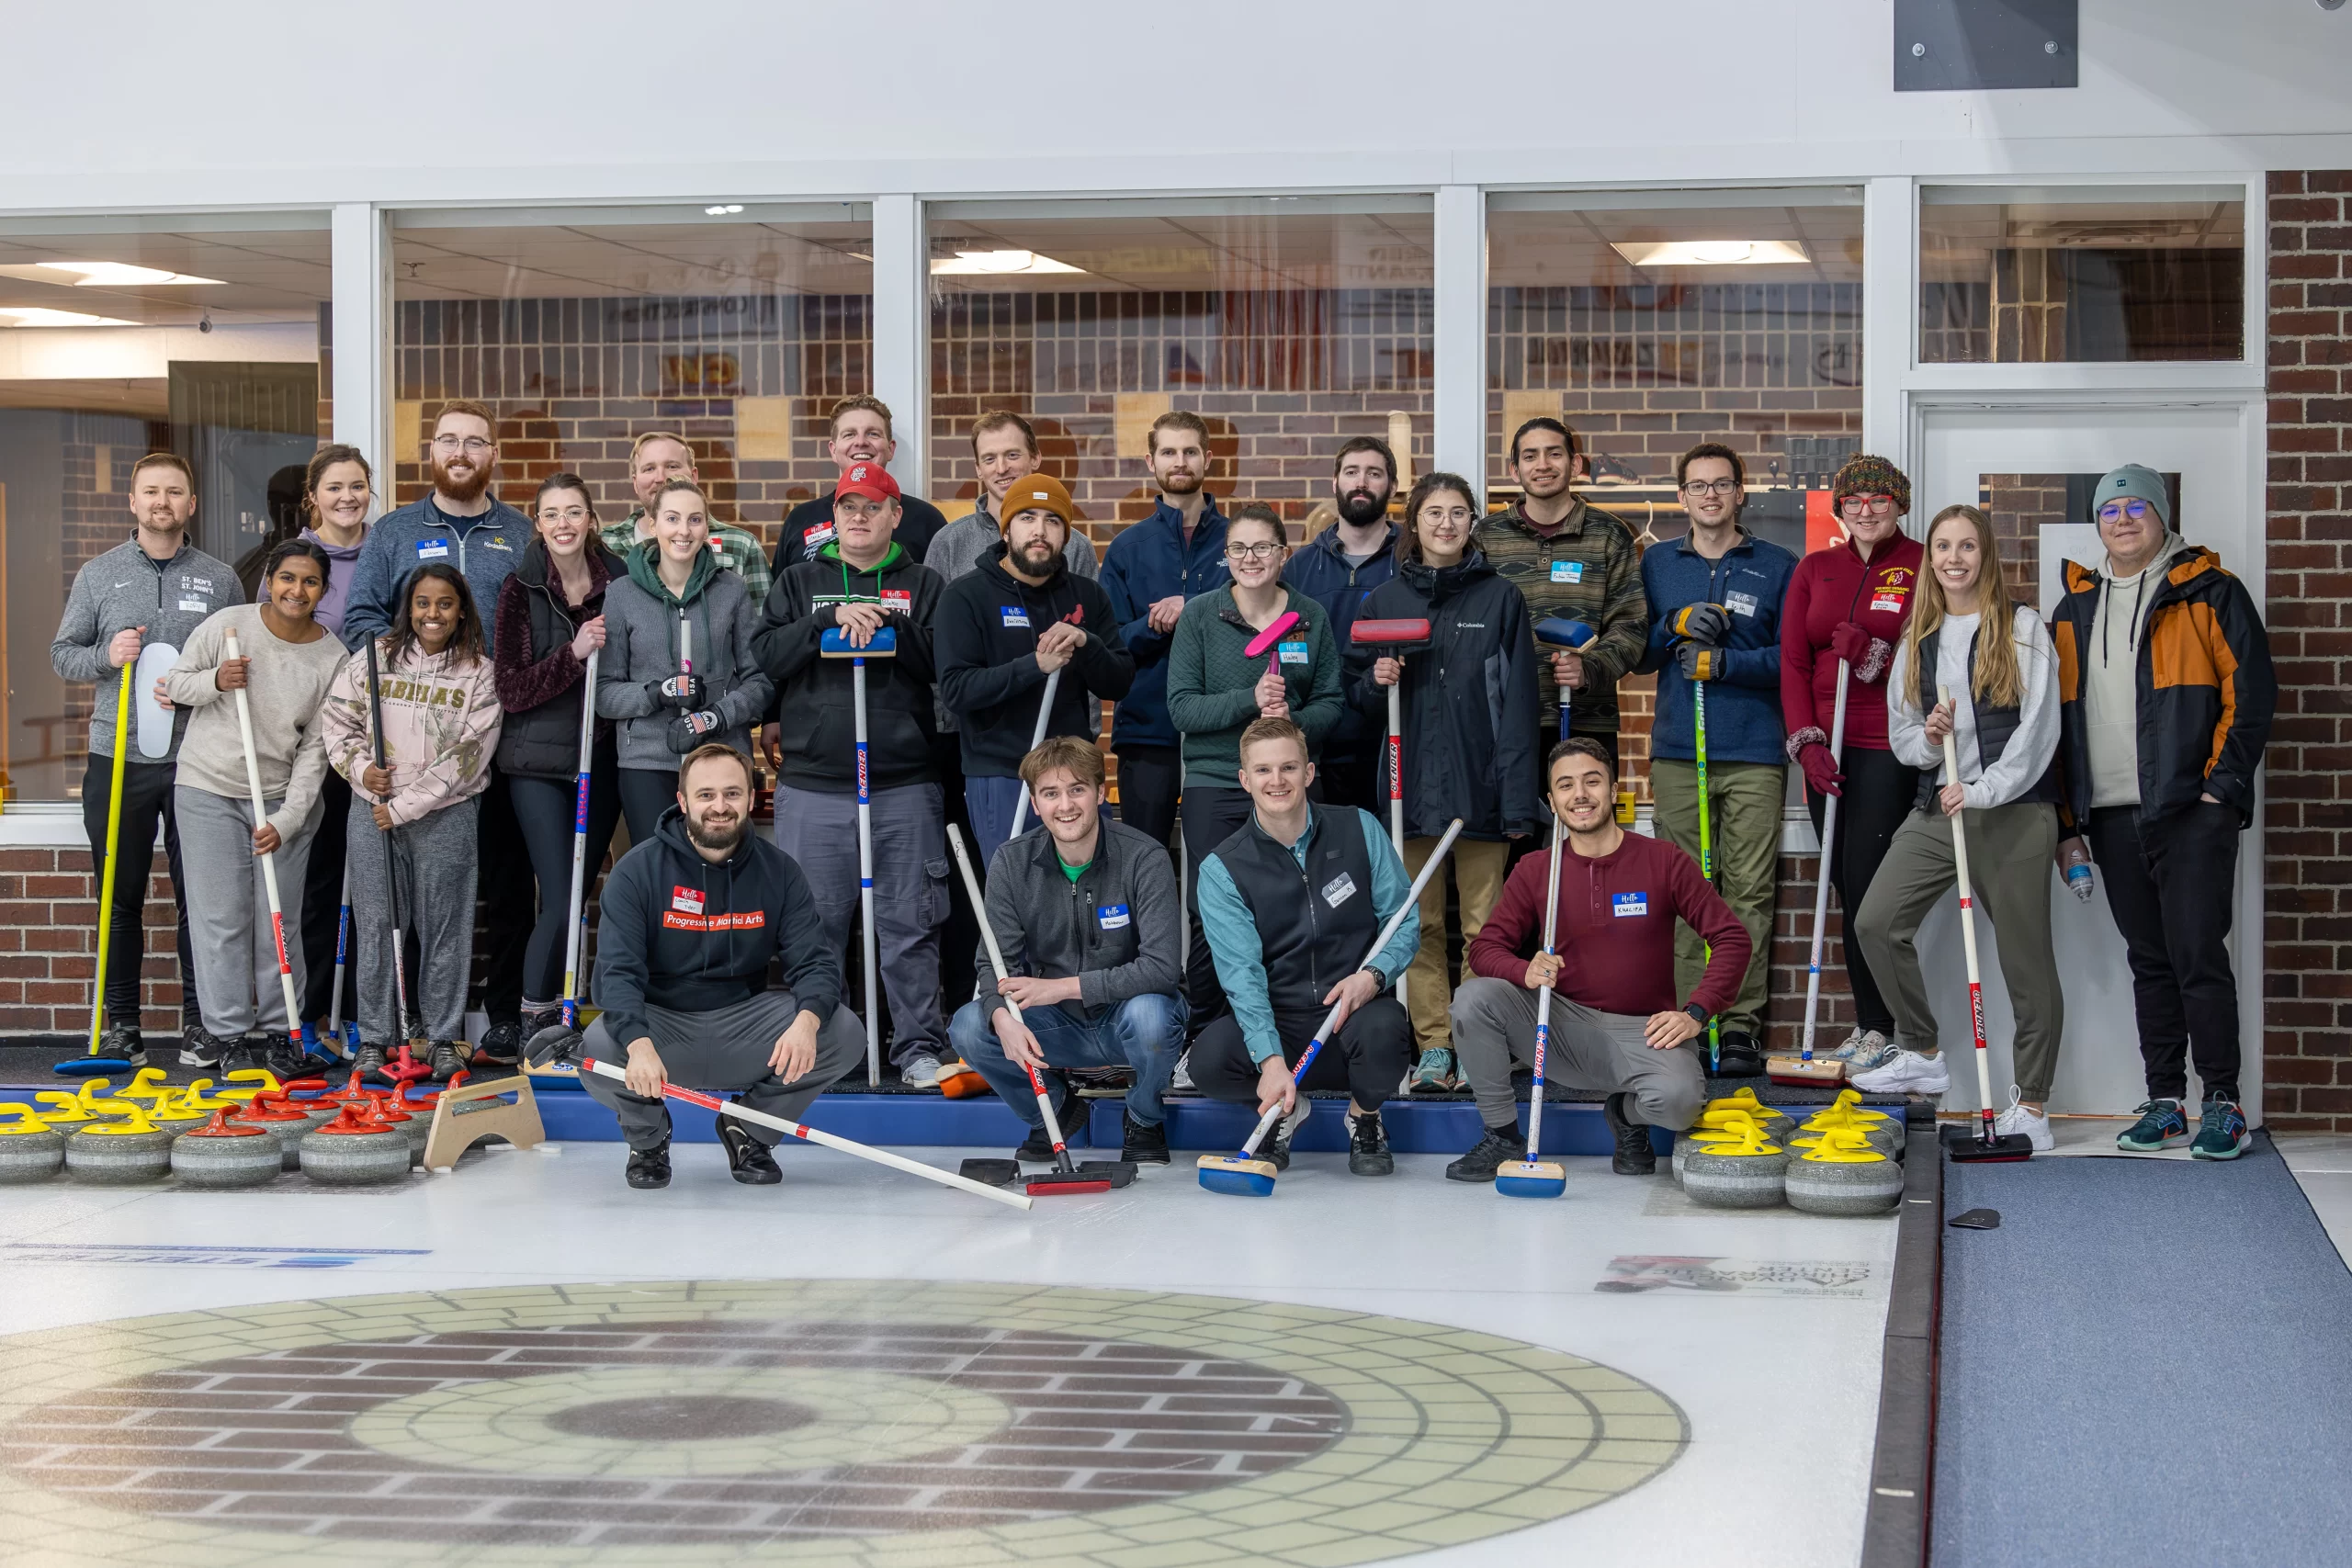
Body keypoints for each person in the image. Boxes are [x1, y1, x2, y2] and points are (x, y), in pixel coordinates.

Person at [2049, 464, 2276, 1160]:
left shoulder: (2209, 592)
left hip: (2189, 809)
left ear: (2162, 515)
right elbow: (2056, 723)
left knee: (2197, 956)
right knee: (2149, 960)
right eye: (2109, 508)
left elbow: (2252, 695)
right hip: (2112, 816)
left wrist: (2219, 791)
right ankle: (2165, 1101)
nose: (2122, 518)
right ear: (2096, 522)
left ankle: (2223, 1103)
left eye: (2136, 505)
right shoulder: (2072, 612)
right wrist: (2069, 824)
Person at [1850, 505, 2064, 1140]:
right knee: (1877, 919)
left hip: (2013, 811)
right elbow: (1904, 735)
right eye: (1943, 545)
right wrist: (1930, 737)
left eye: (1966, 546)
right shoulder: (1920, 634)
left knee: (2027, 965)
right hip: (1941, 807)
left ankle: (2031, 1105)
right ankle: (1921, 1049)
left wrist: (1984, 788)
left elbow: (2039, 730)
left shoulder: (2021, 626)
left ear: (1985, 554)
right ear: (1930, 557)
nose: (1953, 558)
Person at [571, 744, 869, 1190]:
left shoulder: (781, 872)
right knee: (597, 1048)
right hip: (664, 1027)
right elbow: (617, 974)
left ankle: (749, 1130)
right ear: (683, 800)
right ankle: (648, 1141)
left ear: (752, 799)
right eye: (706, 795)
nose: (719, 806)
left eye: (732, 794)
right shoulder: (638, 871)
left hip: (745, 1026)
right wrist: (637, 1043)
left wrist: (806, 1022)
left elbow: (815, 963)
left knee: (842, 1033)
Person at [1448, 739, 1746, 1179]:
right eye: (1565, 786)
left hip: (1643, 1030)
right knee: (1473, 999)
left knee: (1681, 1102)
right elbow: (1485, 948)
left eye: (1592, 781)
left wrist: (1696, 1012)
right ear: (1552, 802)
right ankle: (1503, 1137)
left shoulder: (1662, 860)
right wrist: (1524, 969)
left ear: (1614, 788)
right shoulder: (1536, 868)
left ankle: (1626, 1115)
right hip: (1560, 1025)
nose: (1580, 795)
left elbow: (1731, 938)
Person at [339, 400, 537, 1065]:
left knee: (500, 888)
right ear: (432, 452)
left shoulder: (521, 531)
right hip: (397, 753)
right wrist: (409, 675)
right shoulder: (394, 530)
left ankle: (498, 1019)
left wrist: (471, 679)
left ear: (492, 455)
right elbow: (363, 614)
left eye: (475, 442)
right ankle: (405, 1025)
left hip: (491, 743)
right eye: (448, 440)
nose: (461, 451)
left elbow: (536, 621)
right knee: (394, 909)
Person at [752, 459, 954, 1086]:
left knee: (910, 922)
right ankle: (832, 1045)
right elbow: (766, 654)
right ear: (833, 516)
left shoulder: (923, 582)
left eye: (872, 506)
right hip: (815, 783)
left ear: (896, 514)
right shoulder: (798, 579)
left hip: (902, 779)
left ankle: (918, 1047)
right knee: (816, 926)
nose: (859, 516)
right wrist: (824, 620)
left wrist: (889, 622)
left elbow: (941, 662)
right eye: (848, 507)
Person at [1347, 471, 1540, 1090]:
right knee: (1419, 925)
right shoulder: (1384, 601)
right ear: (1415, 524)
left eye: (1459, 513)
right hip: (1409, 796)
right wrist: (1375, 684)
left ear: (1472, 522)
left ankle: (1477, 1039)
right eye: (1435, 514)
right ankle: (1433, 1048)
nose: (1447, 524)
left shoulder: (1500, 598)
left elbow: (1517, 706)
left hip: (1481, 789)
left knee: (1486, 929)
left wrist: (1515, 799)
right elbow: (1356, 703)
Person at [50, 452, 234, 1067]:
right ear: (132, 502)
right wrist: (107, 654)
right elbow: (62, 656)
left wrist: (209, 677)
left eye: (174, 491)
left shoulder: (219, 578)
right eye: (151, 491)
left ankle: (200, 1024)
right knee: (119, 897)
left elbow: (237, 665)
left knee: (200, 899)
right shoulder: (98, 575)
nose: (162, 502)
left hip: (198, 762)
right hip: (117, 758)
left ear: (191, 503)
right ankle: (122, 1026)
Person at [1191, 718, 1418, 1176]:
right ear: (1244, 780)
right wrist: (1270, 1060)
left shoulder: (1360, 828)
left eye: (1289, 767)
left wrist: (1372, 979)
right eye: (1263, 771)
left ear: (1309, 773)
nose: (1277, 781)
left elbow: (1403, 921)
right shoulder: (1222, 868)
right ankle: (1287, 1109)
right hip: (1281, 1025)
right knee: (1209, 1062)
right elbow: (1242, 974)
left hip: (1350, 1014)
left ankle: (1364, 1117)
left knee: (1387, 1035)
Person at [947, 736, 1187, 1164]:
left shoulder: (1143, 856)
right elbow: (992, 963)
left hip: (1126, 1017)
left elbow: (1163, 969)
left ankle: (1144, 1117)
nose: (1066, 805)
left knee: (1152, 1015)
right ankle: (1055, 1110)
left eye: (1077, 789)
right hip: (1058, 1028)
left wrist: (1059, 988)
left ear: (1100, 792)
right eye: (1050, 794)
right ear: (1036, 805)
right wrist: (1000, 1015)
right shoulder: (1011, 861)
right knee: (970, 1026)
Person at [162, 538, 350, 1077]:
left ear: (322, 590)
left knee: (280, 924)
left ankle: (278, 1029)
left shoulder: (332, 658)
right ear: (270, 580)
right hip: (209, 788)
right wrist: (216, 681)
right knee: (221, 918)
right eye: (288, 578)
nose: (297, 590)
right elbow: (175, 682)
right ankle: (223, 1035)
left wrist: (287, 820)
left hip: (279, 799)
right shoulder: (230, 626)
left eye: (310, 581)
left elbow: (317, 752)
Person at [1638, 443, 1795, 1076]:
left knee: (1748, 892)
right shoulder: (1656, 563)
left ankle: (1738, 1025)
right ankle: (1687, 1015)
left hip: (1754, 751)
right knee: (1685, 892)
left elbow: (1793, 660)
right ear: (1681, 496)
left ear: (1740, 493)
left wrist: (1728, 663)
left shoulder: (1778, 565)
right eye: (1697, 485)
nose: (1709, 495)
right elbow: (1638, 653)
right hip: (1681, 750)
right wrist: (1674, 623)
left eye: (1721, 485)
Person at [1166, 504, 1344, 1037]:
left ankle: (1286, 1030)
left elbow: (1332, 702)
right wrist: (1250, 697)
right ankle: (1206, 1035)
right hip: (1216, 783)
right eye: (1239, 548)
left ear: (1284, 554)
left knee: (1289, 904)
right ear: (1225, 557)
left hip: (1286, 783)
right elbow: (1182, 708)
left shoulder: (1309, 617)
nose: (1251, 558)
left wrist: (1294, 719)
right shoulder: (1201, 615)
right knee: (1212, 912)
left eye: (1263, 547)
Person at [320, 562, 503, 1082]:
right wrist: (361, 770)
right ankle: (376, 1040)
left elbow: (470, 755)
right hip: (371, 809)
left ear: (461, 609)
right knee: (377, 927)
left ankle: (443, 1039)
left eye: (444, 603)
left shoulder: (479, 672)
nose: (432, 613)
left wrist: (403, 805)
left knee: (445, 928)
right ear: (409, 607)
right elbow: (338, 720)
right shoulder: (375, 659)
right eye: (423, 602)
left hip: (443, 815)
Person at [1779, 455, 1927, 1068]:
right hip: (1826, 752)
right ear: (1840, 507)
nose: (1866, 509)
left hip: (1886, 749)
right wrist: (1806, 743)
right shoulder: (1816, 569)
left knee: (1869, 890)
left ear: (1899, 503)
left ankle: (1881, 1026)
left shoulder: (1920, 564)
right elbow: (1790, 661)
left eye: (1879, 498)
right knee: (1843, 884)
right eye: (1855, 499)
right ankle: (1872, 1023)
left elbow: (1933, 659)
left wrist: (1874, 655)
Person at [935, 471, 1133, 863]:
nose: (1039, 531)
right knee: (1017, 896)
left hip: (1073, 776)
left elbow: (1120, 681)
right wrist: (1034, 666)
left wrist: (1086, 643)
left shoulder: (1087, 595)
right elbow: (957, 690)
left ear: (1066, 535)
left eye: (1052, 520)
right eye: (1027, 519)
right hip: (1003, 774)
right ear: (1006, 531)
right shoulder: (965, 596)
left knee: (1094, 884)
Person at [496, 474, 628, 1040]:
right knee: (561, 891)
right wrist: (572, 655)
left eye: (574, 512)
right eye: (552, 514)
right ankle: (536, 1014)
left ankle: (572, 1010)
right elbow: (511, 688)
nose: (564, 524)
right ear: (539, 524)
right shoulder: (519, 588)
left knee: (584, 890)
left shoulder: (619, 581)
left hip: (600, 760)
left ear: (591, 520)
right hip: (538, 767)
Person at [597, 478, 775, 841]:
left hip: (720, 754)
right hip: (647, 759)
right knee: (659, 868)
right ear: (653, 524)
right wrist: (655, 693)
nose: (684, 530)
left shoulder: (732, 589)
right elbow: (604, 693)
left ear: (706, 526)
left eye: (695, 519)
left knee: (720, 865)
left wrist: (715, 716)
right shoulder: (621, 594)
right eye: (673, 518)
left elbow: (760, 681)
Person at [1474, 418, 1647, 772]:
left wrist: (1589, 669)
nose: (1542, 465)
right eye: (1530, 456)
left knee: (1585, 824)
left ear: (1575, 464)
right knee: (1515, 827)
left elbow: (1632, 624)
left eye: (1554, 454)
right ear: (1514, 470)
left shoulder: (1609, 534)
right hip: (1502, 721)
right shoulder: (1486, 537)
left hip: (1586, 723)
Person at [1099, 410, 1231, 849]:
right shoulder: (1126, 548)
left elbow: (1259, 620)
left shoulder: (1240, 542)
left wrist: (1189, 607)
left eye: (1190, 451)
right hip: (1146, 729)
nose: (1180, 461)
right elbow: (1110, 644)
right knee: (1143, 857)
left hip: (1222, 730)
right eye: (1169, 451)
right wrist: (1157, 624)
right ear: (1150, 461)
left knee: (1219, 861)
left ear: (1207, 459)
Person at [284, 446, 373, 1043]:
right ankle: (314, 1013)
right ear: (313, 495)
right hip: (313, 742)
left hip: (376, 738)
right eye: (334, 487)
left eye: (358, 485)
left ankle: (369, 1013)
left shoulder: (385, 549)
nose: (347, 497)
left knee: (373, 883)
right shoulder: (295, 561)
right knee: (320, 884)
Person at [1283, 435, 1401, 812]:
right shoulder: (1300, 567)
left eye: (1374, 473)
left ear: (1392, 487)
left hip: (1390, 740)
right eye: (1351, 472)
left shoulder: (1412, 561)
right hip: (1316, 741)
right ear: (1335, 484)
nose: (1361, 482)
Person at [597, 431, 772, 609]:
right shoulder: (606, 542)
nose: (660, 478)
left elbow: (761, 628)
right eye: (649, 469)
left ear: (694, 476)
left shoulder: (741, 545)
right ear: (635, 482)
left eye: (672, 466)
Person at [773, 396, 948, 571]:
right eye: (849, 434)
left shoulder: (927, 521)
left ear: (891, 449)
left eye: (873, 434)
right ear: (833, 450)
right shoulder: (800, 519)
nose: (861, 442)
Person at [927, 412, 1099, 583]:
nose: (1001, 468)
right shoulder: (948, 543)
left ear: (1035, 458)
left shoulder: (1076, 547)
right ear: (978, 469)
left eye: (1012, 455)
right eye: (989, 459)